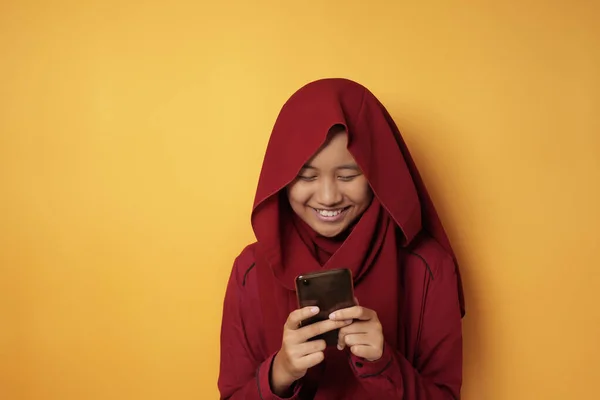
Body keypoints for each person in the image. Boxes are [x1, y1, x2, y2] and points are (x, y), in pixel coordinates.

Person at [218, 78, 465, 399]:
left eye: (348, 175)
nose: (328, 196)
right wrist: (280, 373)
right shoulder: (250, 269)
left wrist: (383, 365)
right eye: (306, 176)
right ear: (281, 178)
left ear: (377, 172)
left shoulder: (428, 267)